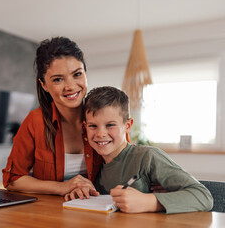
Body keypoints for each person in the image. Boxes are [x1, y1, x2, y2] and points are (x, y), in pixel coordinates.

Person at [65, 86, 213, 214]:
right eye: (93, 126)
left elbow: (203, 196)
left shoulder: (147, 157)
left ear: (127, 126)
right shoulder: (94, 165)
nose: (100, 134)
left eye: (110, 125)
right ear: (85, 127)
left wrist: (149, 202)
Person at [2, 37, 105, 195]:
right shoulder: (35, 121)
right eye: (58, 79)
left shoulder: (106, 116)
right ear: (44, 85)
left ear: (85, 74)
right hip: (50, 214)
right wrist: (61, 187)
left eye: (77, 74)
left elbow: (128, 163)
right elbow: (13, 180)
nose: (70, 86)